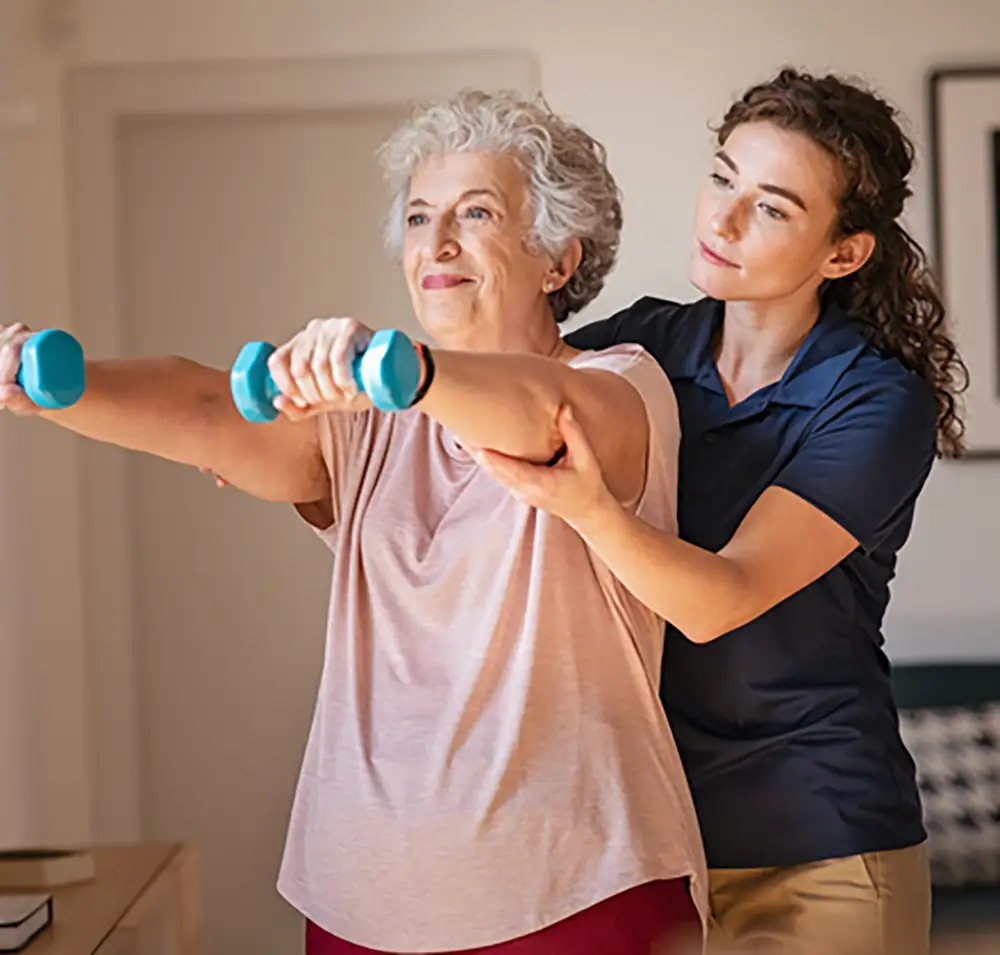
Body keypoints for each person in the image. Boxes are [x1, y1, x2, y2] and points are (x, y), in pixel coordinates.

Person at [0, 91, 707, 954]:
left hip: (576, 886)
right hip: (363, 897)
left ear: (559, 258)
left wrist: (402, 370)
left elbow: (543, 414)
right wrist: (54, 385)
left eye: (476, 213)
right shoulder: (368, 418)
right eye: (418, 217)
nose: (436, 243)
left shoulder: (621, 383)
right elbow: (206, 404)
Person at [474, 69, 969, 955]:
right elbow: (504, 402)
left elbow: (719, 600)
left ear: (843, 253)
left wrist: (588, 507)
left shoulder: (873, 402)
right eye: (722, 178)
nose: (724, 219)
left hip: (821, 847)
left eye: (771, 207)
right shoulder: (644, 345)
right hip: (655, 843)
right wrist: (330, 445)